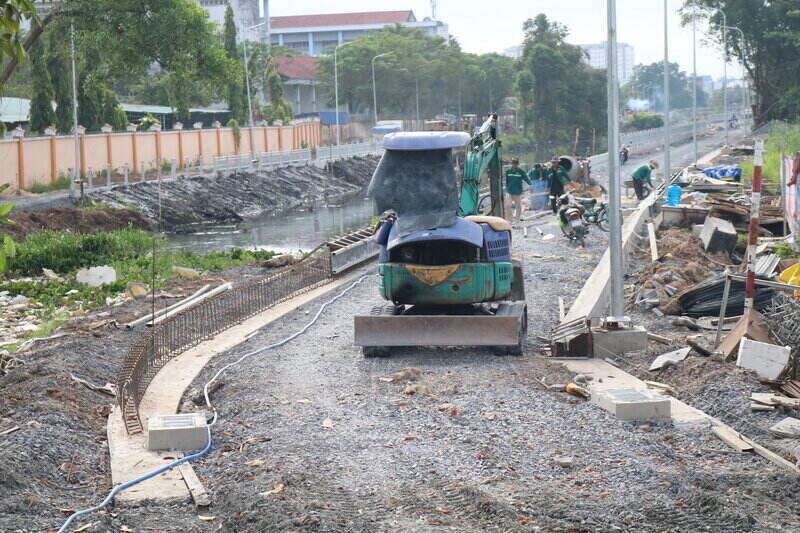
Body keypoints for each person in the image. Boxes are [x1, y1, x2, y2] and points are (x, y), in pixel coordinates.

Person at [504, 157, 531, 223]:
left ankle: (517, 220)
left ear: (518, 164)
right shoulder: (508, 171)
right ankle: (510, 220)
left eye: (516, 163)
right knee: (507, 205)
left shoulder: (521, 171)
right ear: (511, 163)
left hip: (517, 191)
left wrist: (530, 185)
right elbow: (507, 181)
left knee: (518, 206)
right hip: (509, 191)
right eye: (513, 163)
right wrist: (506, 188)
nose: (514, 164)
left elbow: (526, 178)